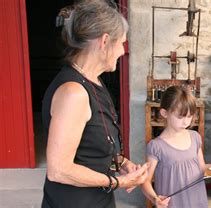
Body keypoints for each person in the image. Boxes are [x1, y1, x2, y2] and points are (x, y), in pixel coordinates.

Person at [41, 1, 149, 207]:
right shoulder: (73, 93)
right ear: (105, 41)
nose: (122, 51)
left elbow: (91, 144)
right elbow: (59, 170)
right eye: (122, 43)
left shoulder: (93, 82)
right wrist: (118, 182)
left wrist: (122, 163)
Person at [141, 86, 211, 208]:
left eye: (189, 116)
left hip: (196, 200)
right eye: (180, 117)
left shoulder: (195, 137)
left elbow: (202, 168)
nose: (186, 122)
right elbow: (145, 180)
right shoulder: (156, 146)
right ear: (164, 113)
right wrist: (155, 199)